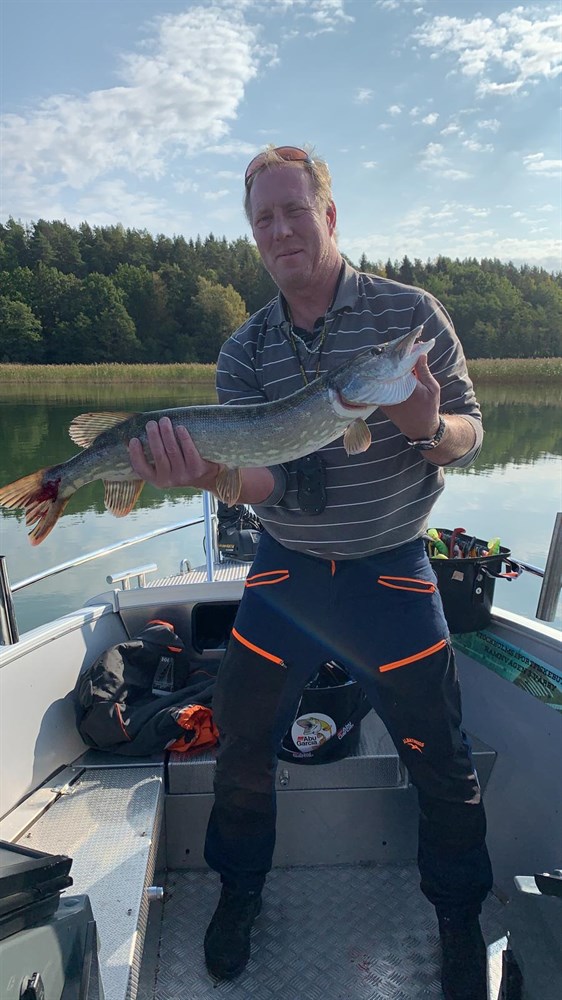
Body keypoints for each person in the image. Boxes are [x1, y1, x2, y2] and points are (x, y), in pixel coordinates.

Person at [128, 145, 493, 1000]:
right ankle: (239, 891)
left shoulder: (409, 314)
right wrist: (207, 471)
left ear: (329, 215)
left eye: (295, 210)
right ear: (254, 233)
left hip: (392, 570)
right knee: (240, 740)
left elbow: (470, 435)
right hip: (288, 571)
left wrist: (427, 425)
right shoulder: (246, 348)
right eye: (264, 218)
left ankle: (457, 918)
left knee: (441, 756)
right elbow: (267, 479)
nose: (281, 229)